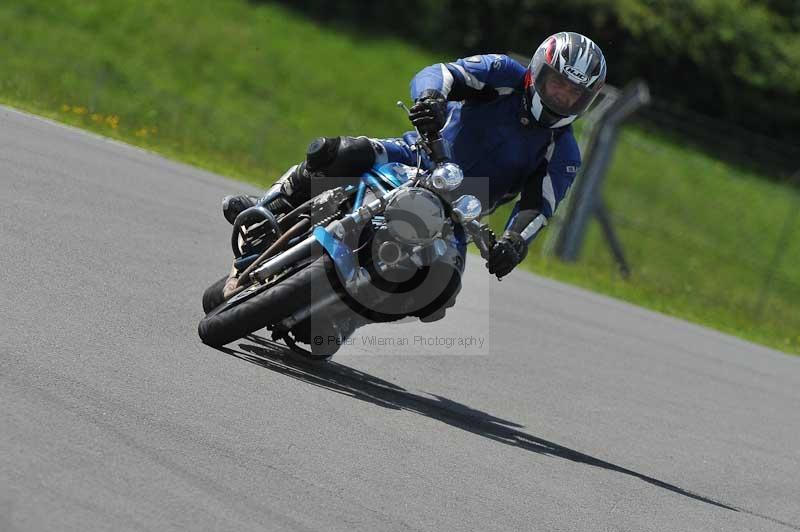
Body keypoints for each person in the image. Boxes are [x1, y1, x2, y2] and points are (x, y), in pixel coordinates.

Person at [222, 31, 606, 279]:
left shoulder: (564, 151)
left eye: (575, 93)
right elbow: (442, 73)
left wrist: (514, 243)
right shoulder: (503, 73)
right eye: (559, 83)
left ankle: (347, 316)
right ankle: (268, 207)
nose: (563, 97)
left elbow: (538, 208)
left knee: (444, 287)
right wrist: (431, 99)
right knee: (335, 151)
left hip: (459, 217)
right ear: (538, 71)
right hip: (414, 156)